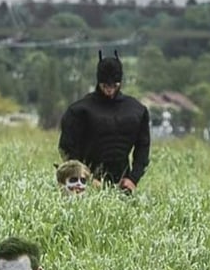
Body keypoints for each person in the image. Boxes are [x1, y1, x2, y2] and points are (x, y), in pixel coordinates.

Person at [59, 50, 150, 194]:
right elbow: (67, 149)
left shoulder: (137, 111)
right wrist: (86, 178)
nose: (109, 90)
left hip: (123, 185)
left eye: (114, 85)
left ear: (120, 82)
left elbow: (143, 147)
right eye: (105, 86)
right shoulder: (78, 111)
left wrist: (133, 179)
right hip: (84, 186)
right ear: (99, 81)